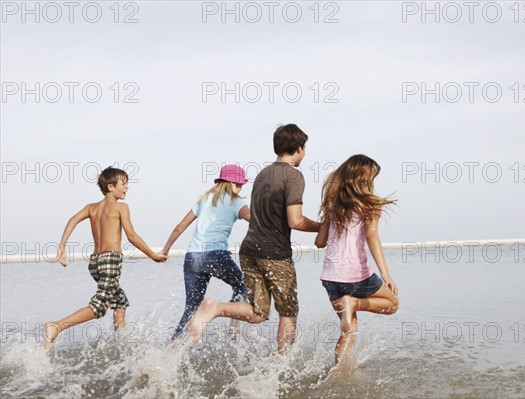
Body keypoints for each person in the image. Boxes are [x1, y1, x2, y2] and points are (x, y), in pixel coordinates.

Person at [188, 124, 321, 355]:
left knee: (258, 313)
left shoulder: (262, 174)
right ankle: (283, 364)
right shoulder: (293, 176)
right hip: (275, 253)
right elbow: (295, 221)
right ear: (299, 148)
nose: (305, 152)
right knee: (288, 312)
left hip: (249, 250)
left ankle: (216, 307)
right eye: (305, 147)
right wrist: (323, 226)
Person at [43, 167, 167, 353]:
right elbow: (132, 236)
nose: (127, 188)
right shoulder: (121, 207)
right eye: (123, 184)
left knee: (120, 301)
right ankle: (57, 326)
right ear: (111, 186)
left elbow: (72, 220)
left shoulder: (92, 208)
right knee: (99, 307)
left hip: (95, 263)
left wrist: (62, 246)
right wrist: (153, 255)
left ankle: (120, 345)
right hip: (110, 261)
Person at [314, 154, 399, 365]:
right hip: (356, 274)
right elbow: (372, 237)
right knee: (392, 304)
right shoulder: (369, 205)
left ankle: (339, 374)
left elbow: (319, 242)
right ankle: (354, 302)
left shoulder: (331, 203)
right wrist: (385, 274)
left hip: (331, 277)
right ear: (363, 178)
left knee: (349, 330)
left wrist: (327, 221)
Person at [161, 164, 251, 340]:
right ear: (231, 183)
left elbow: (179, 227)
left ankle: (173, 348)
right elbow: (254, 219)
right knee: (242, 285)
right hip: (216, 255)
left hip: (192, 257)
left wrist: (165, 250)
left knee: (191, 308)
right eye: (239, 184)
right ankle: (233, 327)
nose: (241, 188)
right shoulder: (237, 202)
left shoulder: (203, 200)